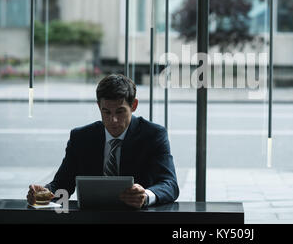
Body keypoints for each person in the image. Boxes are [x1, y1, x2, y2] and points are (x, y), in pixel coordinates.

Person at [27, 74, 179, 209]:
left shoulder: (153, 135)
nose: (113, 120)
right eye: (106, 112)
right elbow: (62, 184)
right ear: (99, 106)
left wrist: (146, 196)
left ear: (134, 105)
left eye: (120, 111)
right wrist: (44, 194)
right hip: (92, 219)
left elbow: (170, 184)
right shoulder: (81, 137)